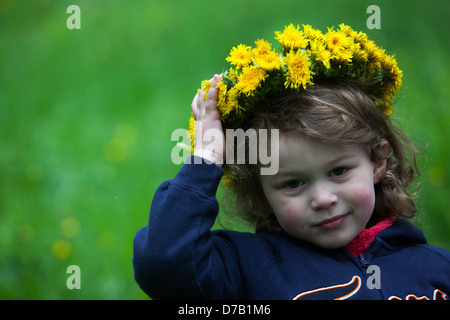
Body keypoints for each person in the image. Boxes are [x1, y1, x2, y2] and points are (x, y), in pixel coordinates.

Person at [133, 24, 450, 300]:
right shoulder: (248, 271)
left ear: (378, 160)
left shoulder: (437, 267)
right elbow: (164, 264)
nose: (323, 199)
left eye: (338, 171)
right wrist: (206, 159)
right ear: (261, 192)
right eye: (293, 183)